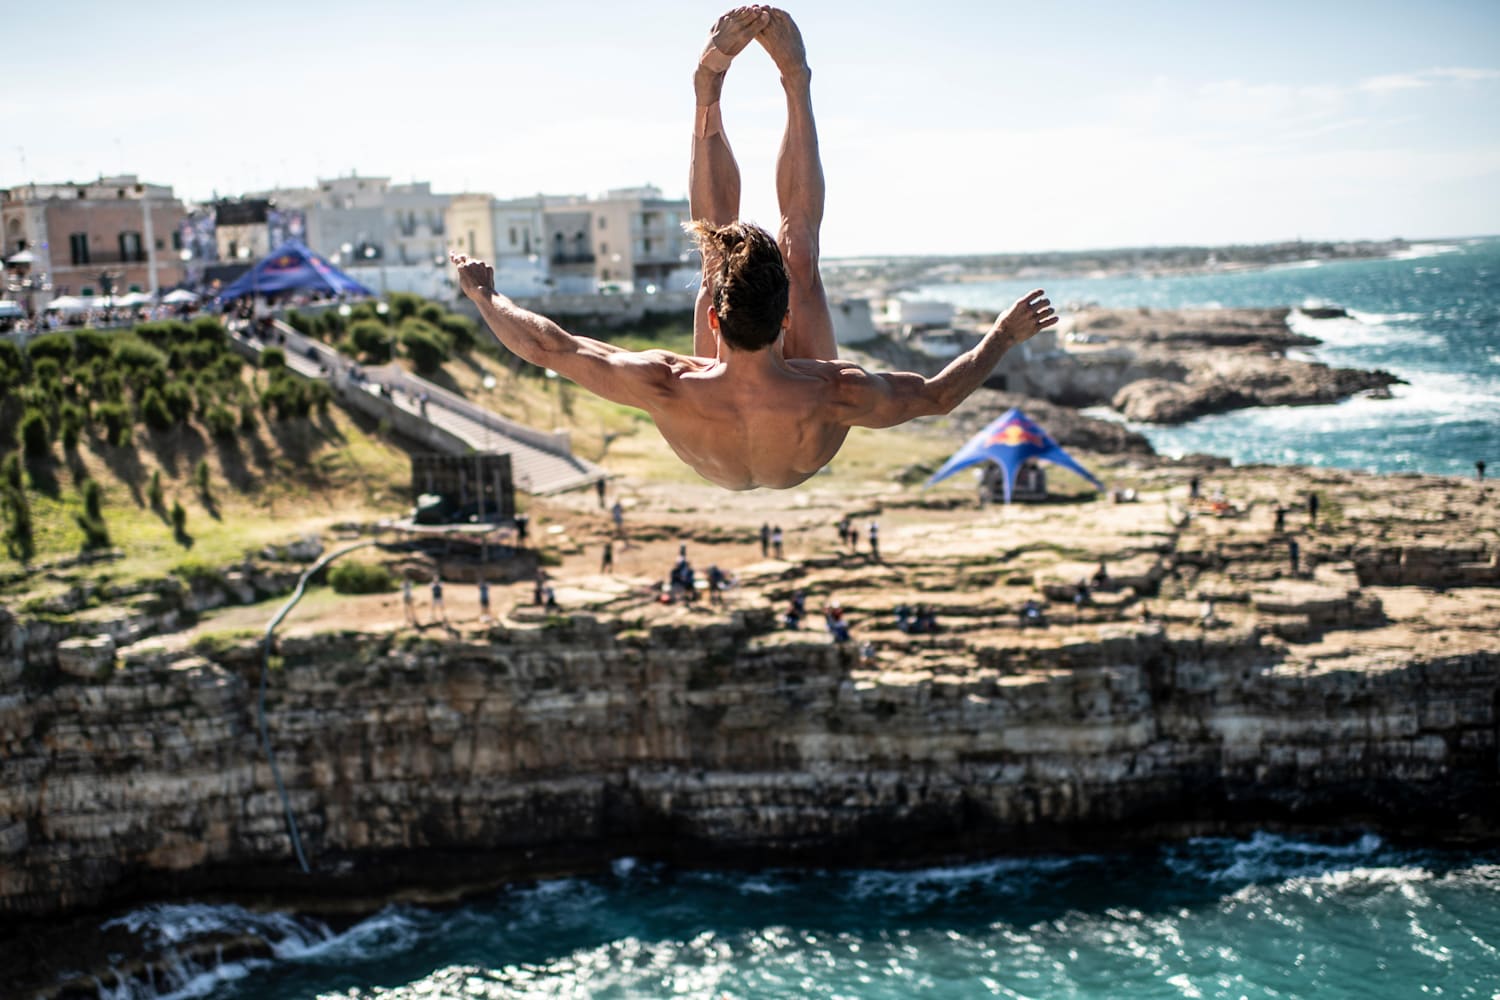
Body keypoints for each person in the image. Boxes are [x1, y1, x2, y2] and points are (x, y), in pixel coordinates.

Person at [449, 7, 1055, 491]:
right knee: (800, 255)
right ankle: (796, 83)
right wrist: (1003, 335)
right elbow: (939, 396)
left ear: (713, 322)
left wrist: (485, 296)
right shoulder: (834, 389)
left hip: (708, 435)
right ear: (785, 319)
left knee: (717, 253)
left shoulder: (667, 383)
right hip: (799, 449)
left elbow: (548, 347)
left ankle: (707, 96)